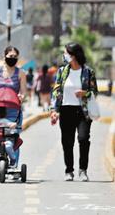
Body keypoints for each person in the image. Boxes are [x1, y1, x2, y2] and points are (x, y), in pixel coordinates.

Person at [50, 42, 97, 182]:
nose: (64, 56)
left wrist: (85, 93)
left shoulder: (88, 72)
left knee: (83, 139)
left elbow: (95, 92)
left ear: (74, 55)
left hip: (83, 111)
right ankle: (69, 170)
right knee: (67, 142)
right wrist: (54, 110)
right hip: (66, 110)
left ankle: (83, 170)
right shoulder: (62, 71)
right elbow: (56, 91)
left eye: (66, 53)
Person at [0, 46, 27, 167]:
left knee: (13, 137)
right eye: (10, 56)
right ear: (4, 57)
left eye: (15, 57)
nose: (13, 59)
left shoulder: (20, 73)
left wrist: (21, 96)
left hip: (13, 109)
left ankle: (14, 164)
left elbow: (24, 91)